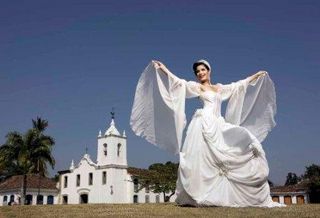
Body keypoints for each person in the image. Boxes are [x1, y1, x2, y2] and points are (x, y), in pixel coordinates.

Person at [130, 59, 285, 207]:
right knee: (202, 160)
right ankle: (202, 193)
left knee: (241, 142)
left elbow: (239, 85)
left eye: (203, 70)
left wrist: (256, 76)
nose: (200, 73)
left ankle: (228, 193)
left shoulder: (219, 88)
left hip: (217, 123)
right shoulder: (198, 88)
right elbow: (178, 82)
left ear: (209, 71)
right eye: (197, 71)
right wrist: (164, 69)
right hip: (203, 123)